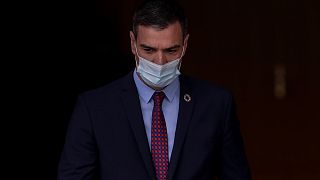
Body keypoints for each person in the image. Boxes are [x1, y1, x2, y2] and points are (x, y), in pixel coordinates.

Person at [58, 0, 251, 179]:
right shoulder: (94, 107)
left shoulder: (216, 104)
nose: (160, 62)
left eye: (171, 50)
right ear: (133, 43)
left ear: (185, 45)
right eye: (149, 50)